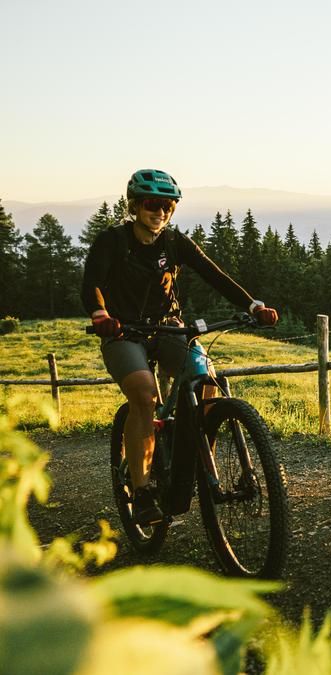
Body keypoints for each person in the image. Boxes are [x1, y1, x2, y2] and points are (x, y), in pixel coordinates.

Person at [82, 169, 278, 526]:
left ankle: (197, 460)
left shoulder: (174, 242)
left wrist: (254, 306)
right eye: (152, 204)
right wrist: (101, 314)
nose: (160, 212)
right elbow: (91, 283)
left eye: (168, 206)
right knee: (144, 395)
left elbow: (214, 274)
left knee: (206, 381)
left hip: (169, 328)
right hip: (124, 331)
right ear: (135, 206)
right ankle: (141, 493)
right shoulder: (113, 241)